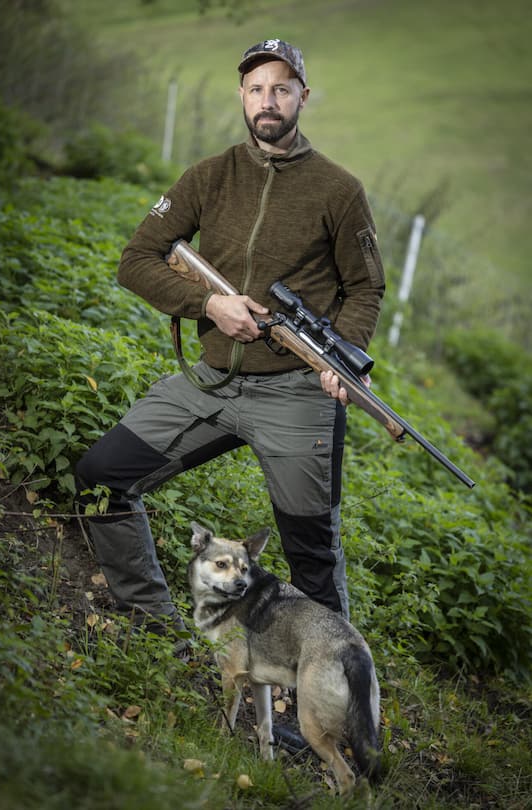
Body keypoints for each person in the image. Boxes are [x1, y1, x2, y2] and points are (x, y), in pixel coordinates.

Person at [75, 39, 385, 650]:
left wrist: (340, 357)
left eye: (281, 88)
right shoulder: (208, 176)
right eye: (256, 89)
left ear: (302, 95)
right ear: (242, 97)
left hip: (296, 393)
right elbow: (136, 260)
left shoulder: (339, 190)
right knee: (99, 476)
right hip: (211, 380)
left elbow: (365, 288)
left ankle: (326, 702)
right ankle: (156, 623)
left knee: (312, 560)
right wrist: (208, 303)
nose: (267, 101)